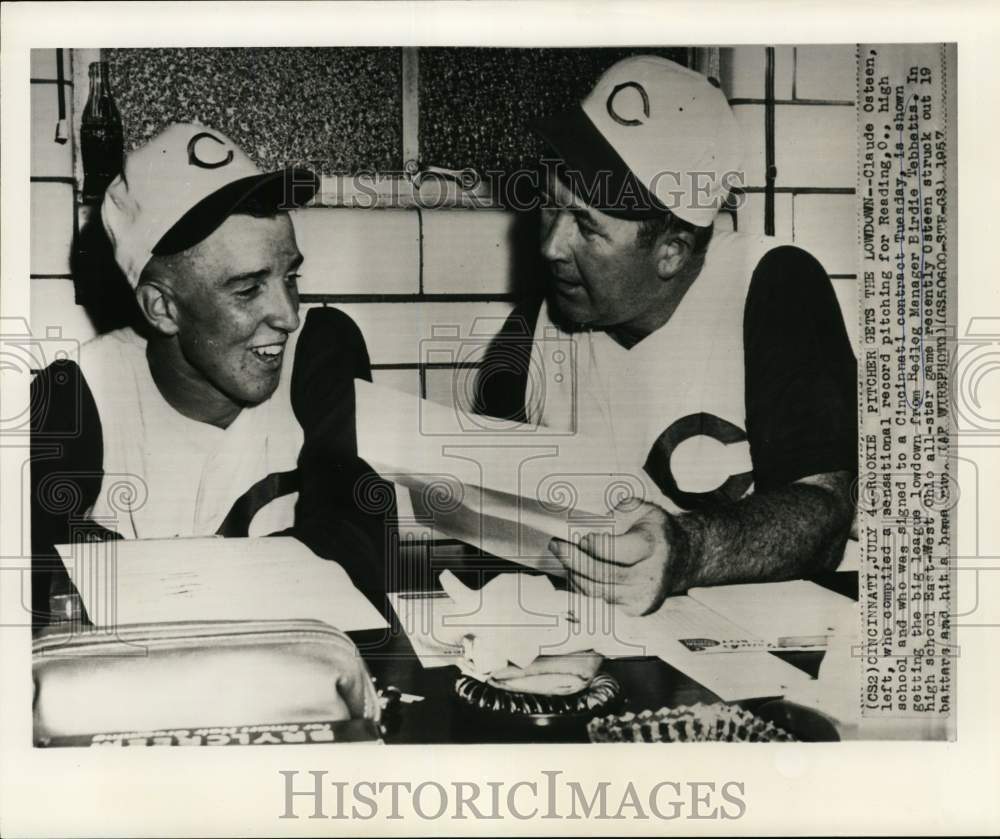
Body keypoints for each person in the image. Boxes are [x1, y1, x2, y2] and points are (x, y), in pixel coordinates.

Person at [475, 56, 857, 617]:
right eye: (549, 210)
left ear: (671, 252)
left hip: (782, 639)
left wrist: (687, 551)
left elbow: (824, 512)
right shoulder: (536, 327)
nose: (551, 247)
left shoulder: (772, 287)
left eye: (586, 226)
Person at [30, 123, 394, 625]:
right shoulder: (77, 392)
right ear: (161, 307)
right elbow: (30, 581)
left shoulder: (321, 347)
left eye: (290, 278)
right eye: (247, 290)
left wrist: (128, 571)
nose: (288, 315)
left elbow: (362, 546)